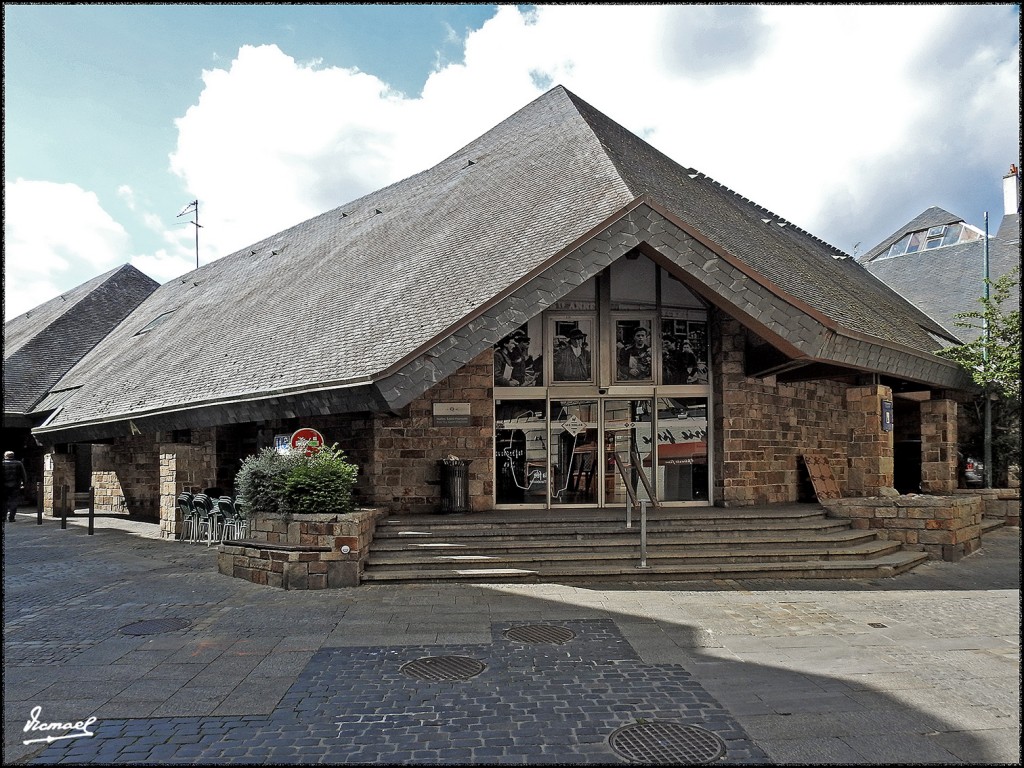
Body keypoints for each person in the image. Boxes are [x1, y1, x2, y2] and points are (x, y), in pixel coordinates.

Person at [3, 450, 28, 523]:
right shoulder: (19, 463)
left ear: (5, 456)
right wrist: (24, 483)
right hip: (15, 485)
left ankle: (3, 517)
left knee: (4, 501)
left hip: (4, 486)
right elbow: (23, 474)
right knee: (14, 501)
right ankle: (11, 517)